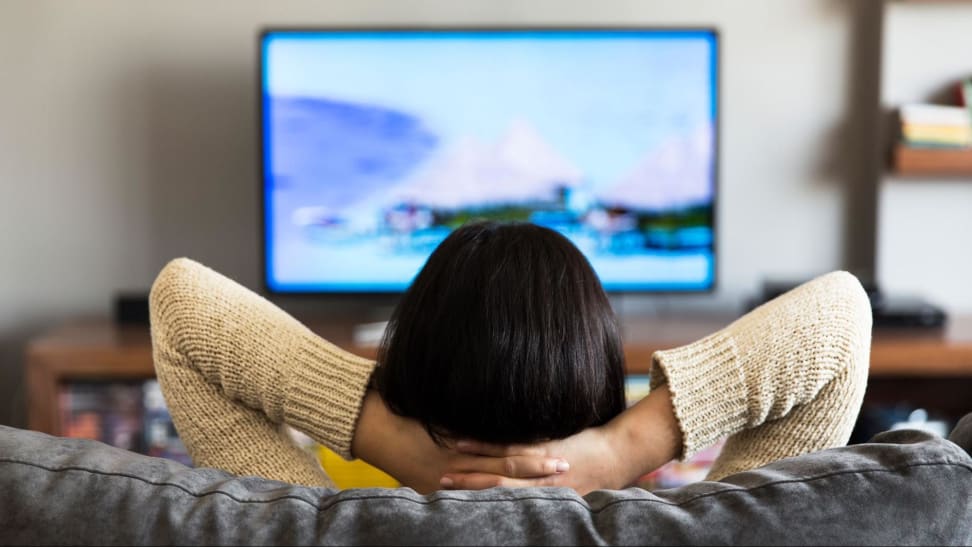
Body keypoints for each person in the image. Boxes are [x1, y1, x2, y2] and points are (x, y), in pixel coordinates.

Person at [149, 220, 871, 495]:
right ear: (596, 386)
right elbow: (840, 314)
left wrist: (393, 444)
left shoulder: (317, 528)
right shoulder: (702, 533)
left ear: (410, 375)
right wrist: (622, 449)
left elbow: (180, 304)